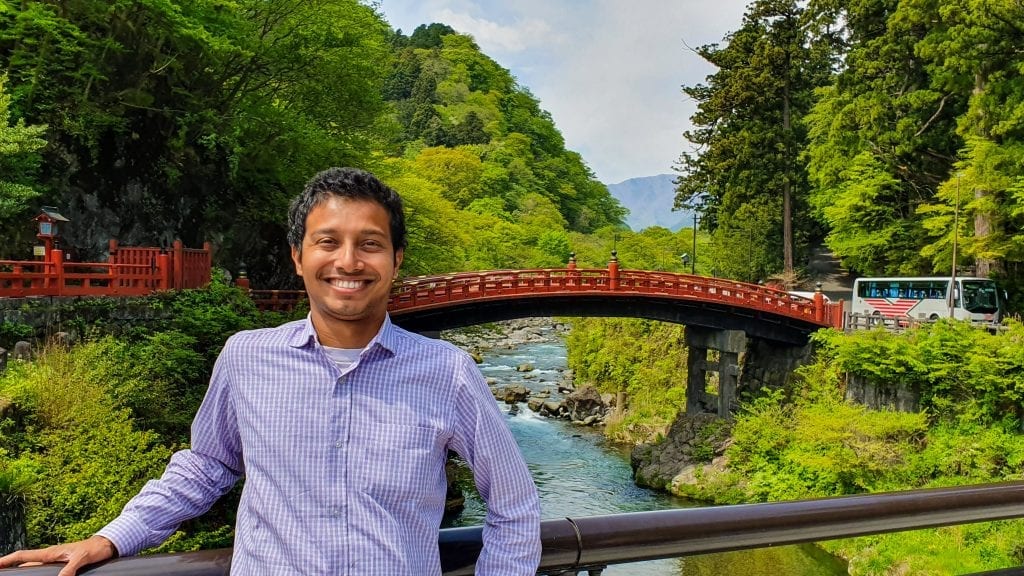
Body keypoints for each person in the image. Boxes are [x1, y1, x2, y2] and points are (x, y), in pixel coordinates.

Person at [0, 167, 542, 575]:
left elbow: (514, 508)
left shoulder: (447, 373)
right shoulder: (247, 357)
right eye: (327, 242)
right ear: (298, 256)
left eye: (370, 245)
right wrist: (112, 538)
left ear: (397, 260)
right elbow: (206, 467)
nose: (348, 262)